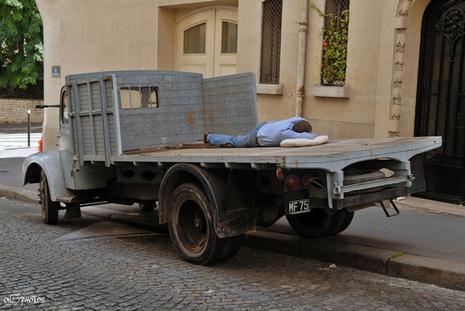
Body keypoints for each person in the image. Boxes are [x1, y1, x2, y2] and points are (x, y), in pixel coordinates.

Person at [204, 117, 318, 147]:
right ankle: (209, 137)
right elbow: (312, 138)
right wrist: (315, 135)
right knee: (234, 141)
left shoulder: (294, 120)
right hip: (256, 138)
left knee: (237, 139)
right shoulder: (286, 134)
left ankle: (211, 137)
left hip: (264, 126)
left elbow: (303, 121)